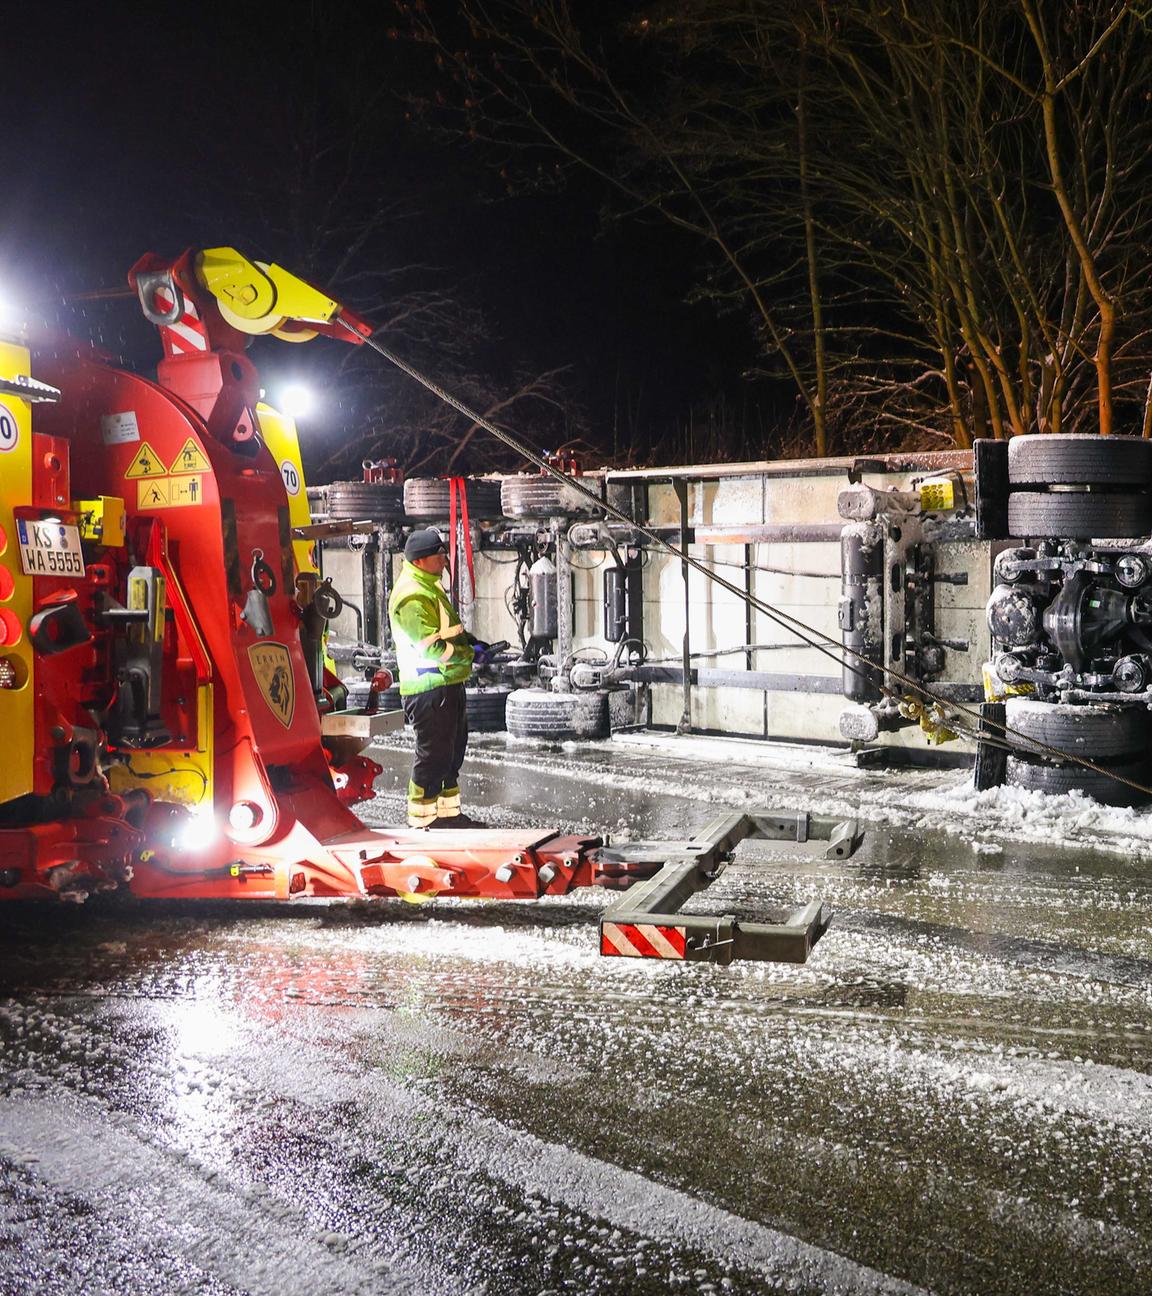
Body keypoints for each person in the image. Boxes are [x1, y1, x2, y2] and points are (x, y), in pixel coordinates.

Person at [387, 528, 491, 829]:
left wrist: (472, 642)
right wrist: (470, 655)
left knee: (451, 753)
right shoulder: (412, 595)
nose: (445, 560)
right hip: (428, 688)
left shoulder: (428, 586)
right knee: (433, 757)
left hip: (446, 685)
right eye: (440, 555)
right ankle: (422, 821)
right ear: (421, 561)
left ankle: (448, 816)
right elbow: (431, 648)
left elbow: (447, 632)